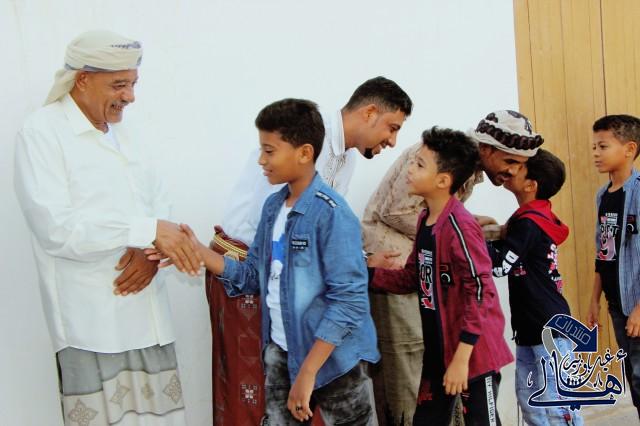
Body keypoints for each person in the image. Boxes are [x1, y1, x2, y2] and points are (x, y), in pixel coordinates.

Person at [13, 30, 199, 425]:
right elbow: (56, 228)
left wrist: (151, 253)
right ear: (82, 79)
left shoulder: (128, 134)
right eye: (119, 85)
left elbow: (159, 205)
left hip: (149, 317)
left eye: (133, 84)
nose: (129, 96)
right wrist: (146, 231)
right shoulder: (42, 132)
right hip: (91, 324)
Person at [206, 77, 412, 425]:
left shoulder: (344, 159)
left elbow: (321, 235)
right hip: (250, 269)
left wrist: (360, 260)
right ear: (369, 112)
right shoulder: (299, 141)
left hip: (294, 286)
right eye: (392, 128)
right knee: (254, 391)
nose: (392, 141)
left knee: (306, 386)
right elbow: (278, 235)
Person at [168, 98, 380, 425]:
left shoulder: (333, 214)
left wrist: (308, 371)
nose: (261, 161)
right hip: (282, 351)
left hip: (331, 360)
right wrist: (197, 250)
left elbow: (349, 302)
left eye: (269, 151)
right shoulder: (271, 209)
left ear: (305, 154)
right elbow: (252, 276)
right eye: (261, 150)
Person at [361, 109, 541, 425]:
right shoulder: (429, 216)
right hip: (440, 348)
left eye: (418, 164)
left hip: (470, 354)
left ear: (443, 181)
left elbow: (479, 290)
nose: (512, 172)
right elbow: (411, 271)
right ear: (487, 149)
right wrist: (361, 274)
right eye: (510, 161)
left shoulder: (454, 223)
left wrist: (462, 357)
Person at [487, 149, 583, 425]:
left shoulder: (529, 223)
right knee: (530, 402)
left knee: (557, 404)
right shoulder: (528, 218)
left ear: (531, 185)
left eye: (518, 166)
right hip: (531, 327)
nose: (510, 169)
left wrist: (469, 235)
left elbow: (499, 266)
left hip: (547, 327)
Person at [587, 114, 640, 418]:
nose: (595, 153)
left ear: (629, 148)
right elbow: (603, 251)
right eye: (594, 146)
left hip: (637, 304)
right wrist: (594, 299)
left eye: (603, 146)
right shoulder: (602, 196)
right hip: (616, 303)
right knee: (633, 373)